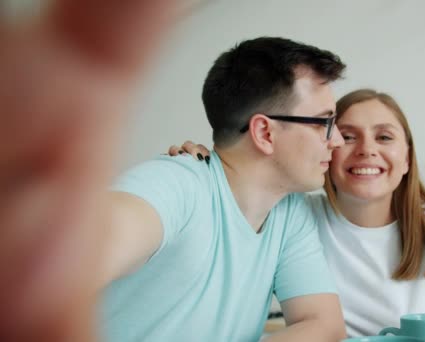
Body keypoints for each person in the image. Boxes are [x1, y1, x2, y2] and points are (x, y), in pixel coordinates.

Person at [2, 4, 349, 341]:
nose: (336, 141)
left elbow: (323, 324)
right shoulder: (177, 182)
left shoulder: (289, 212)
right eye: (325, 122)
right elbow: (101, 242)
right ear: (265, 133)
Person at [173, 89, 425, 337]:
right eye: (348, 136)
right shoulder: (294, 217)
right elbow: (234, 197)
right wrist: (209, 167)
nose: (367, 150)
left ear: (406, 159)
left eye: (385, 137)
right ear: (327, 150)